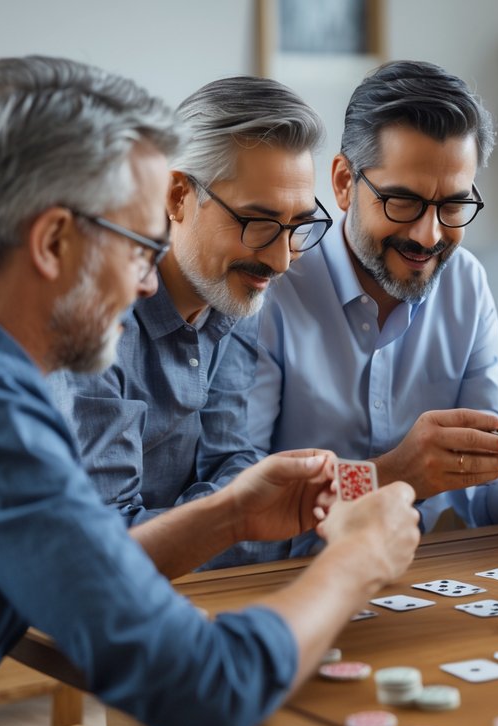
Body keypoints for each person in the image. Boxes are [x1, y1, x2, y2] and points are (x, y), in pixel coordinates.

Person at [0, 56, 420, 726]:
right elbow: (209, 691)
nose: (142, 281)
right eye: (135, 244)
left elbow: (81, 570)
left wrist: (227, 514)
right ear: (53, 241)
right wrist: (357, 558)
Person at [248, 60, 498, 538]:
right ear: (343, 183)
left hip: (418, 577)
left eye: (453, 205)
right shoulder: (274, 286)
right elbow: (242, 498)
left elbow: (479, 498)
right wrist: (396, 472)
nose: (429, 236)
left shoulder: (466, 283)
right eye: (401, 201)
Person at [49, 76, 332, 569]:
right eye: (258, 222)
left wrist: (204, 525)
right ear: (176, 195)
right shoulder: (96, 322)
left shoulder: (231, 294)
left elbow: (230, 464)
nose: (283, 260)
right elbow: (107, 550)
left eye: (296, 226)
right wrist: (246, 523)